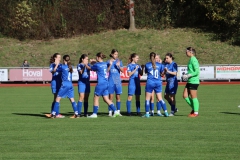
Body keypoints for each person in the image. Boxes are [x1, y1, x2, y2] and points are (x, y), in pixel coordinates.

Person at [87, 52, 119, 118]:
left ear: (98, 57)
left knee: (96, 97)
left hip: (101, 84)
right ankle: (115, 111)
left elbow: (91, 68)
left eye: (96, 57)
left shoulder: (97, 65)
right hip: (106, 83)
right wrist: (94, 62)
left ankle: (94, 114)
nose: (95, 58)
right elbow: (99, 66)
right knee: (106, 99)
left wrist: (86, 64)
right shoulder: (105, 63)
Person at [143, 52, 168, 118]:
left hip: (150, 82)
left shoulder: (147, 65)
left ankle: (147, 113)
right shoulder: (160, 65)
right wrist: (165, 71)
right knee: (160, 98)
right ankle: (166, 112)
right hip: (158, 83)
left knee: (147, 99)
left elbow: (145, 72)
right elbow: (162, 74)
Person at [182, 47, 200, 117]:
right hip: (190, 80)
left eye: (186, 51)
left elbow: (197, 71)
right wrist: (186, 75)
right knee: (185, 95)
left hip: (194, 81)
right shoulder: (191, 59)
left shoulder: (194, 59)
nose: (186, 53)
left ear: (190, 52)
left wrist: (189, 75)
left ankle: (196, 112)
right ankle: (194, 108)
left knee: (193, 97)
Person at [45, 53, 64, 118]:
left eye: (60, 57)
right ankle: (56, 113)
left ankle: (54, 113)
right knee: (56, 98)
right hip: (55, 83)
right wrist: (56, 65)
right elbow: (52, 71)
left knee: (58, 98)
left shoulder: (61, 65)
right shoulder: (52, 65)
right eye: (58, 57)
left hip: (60, 82)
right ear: (55, 58)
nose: (60, 58)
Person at [107, 49, 124, 116]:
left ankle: (118, 111)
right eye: (115, 54)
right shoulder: (108, 61)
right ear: (111, 54)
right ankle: (110, 112)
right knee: (110, 97)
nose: (116, 55)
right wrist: (110, 65)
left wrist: (119, 66)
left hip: (117, 81)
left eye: (117, 54)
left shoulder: (119, 61)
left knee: (118, 97)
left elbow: (122, 70)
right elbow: (107, 71)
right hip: (111, 80)